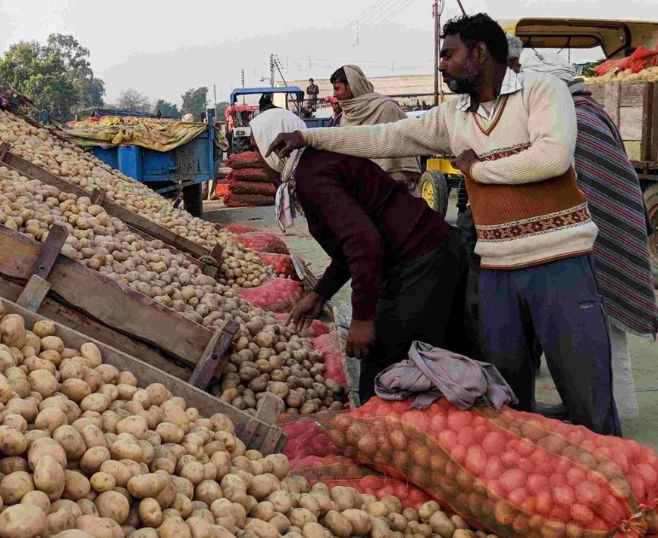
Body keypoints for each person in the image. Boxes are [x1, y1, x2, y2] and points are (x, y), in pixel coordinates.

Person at [268, 13, 620, 435]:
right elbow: (386, 138)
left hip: (558, 262)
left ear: (481, 53)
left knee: (586, 391)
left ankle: (619, 487)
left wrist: (478, 169)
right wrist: (311, 138)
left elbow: (552, 157)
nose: (440, 64)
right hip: (497, 270)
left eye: (448, 54)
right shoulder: (454, 115)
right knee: (507, 398)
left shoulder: (541, 91)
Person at [250, 108, 467, 402]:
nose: (256, 159)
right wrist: (319, 295)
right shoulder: (316, 163)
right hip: (429, 252)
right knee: (434, 364)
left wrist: (363, 319)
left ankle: (394, 435)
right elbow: (350, 246)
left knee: (383, 375)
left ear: (275, 147)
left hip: (421, 261)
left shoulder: (313, 176)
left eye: (256, 148)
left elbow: (364, 243)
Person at [521, 49, 658, 420]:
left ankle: (609, 414)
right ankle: (586, 405)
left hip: (603, 238)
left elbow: (596, 183)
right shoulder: (580, 110)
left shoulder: (577, 118)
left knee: (604, 334)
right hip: (589, 237)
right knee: (583, 335)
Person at [329, 65, 422, 195]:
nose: (334, 94)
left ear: (352, 86)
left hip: (395, 187)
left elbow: (408, 142)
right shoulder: (346, 117)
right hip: (362, 189)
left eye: (337, 89)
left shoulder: (386, 108)